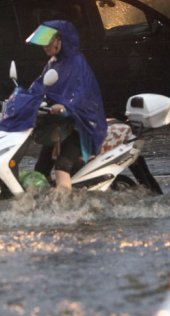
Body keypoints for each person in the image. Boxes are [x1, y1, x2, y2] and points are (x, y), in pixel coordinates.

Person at [27, 20, 107, 190]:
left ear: (60, 40)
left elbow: (80, 93)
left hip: (81, 126)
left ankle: (67, 211)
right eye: (43, 43)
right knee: (40, 169)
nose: (45, 47)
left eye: (49, 42)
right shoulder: (53, 63)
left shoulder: (77, 63)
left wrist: (66, 106)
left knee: (61, 167)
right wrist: (22, 99)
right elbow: (40, 85)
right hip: (60, 126)